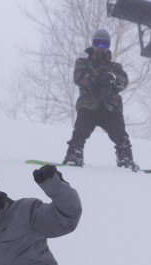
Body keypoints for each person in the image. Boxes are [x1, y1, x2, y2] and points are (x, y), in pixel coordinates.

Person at [63, 28, 139, 172]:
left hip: (110, 108)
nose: (100, 48)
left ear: (108, 46)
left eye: (104, 45)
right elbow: (79, 78)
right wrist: (97, 79)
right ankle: (74, 156)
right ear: (92, 45)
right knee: (80, 133)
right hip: (89, 105)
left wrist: (113, 80)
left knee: (121, 136)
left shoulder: (114, 67)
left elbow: (123, 80)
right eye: (97, 43)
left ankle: (126, 160)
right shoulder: (83, 63)